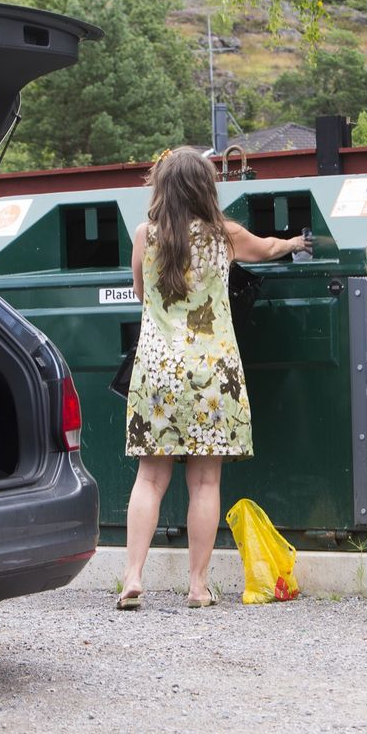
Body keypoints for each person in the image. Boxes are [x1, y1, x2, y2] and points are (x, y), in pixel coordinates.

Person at [117, 148, 310, 610]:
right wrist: (297, 243)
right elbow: (267, 248)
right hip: (212, 372)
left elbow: (144, 295)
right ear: (206, 187)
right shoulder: (225, 236)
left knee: (149, 479)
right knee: (204, 483)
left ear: (162, 187)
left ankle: (132, 577)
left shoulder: (147, 235)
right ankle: (198, 587)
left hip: (158, 371)